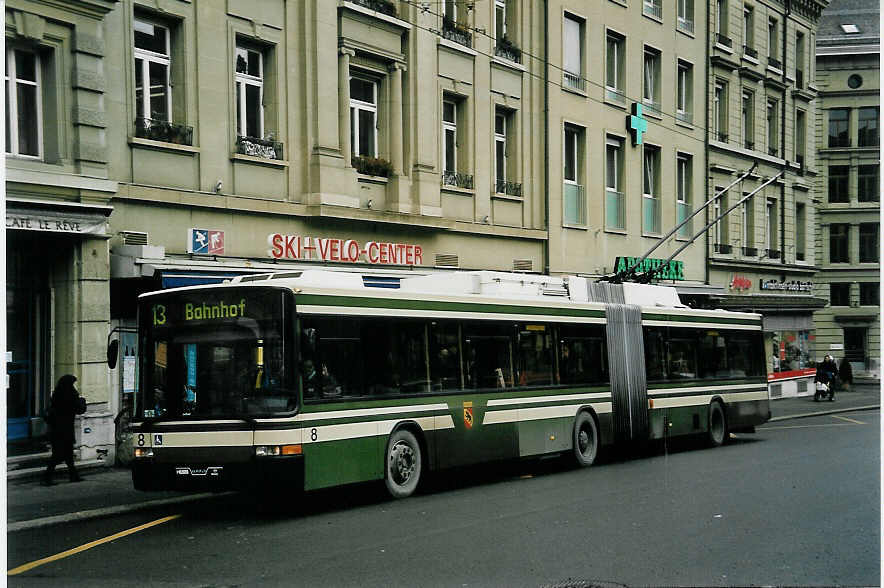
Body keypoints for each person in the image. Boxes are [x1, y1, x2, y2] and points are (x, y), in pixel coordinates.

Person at [42, 375, 87, 485]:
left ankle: (73, 475)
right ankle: (47, 478)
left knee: (68, 455)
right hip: (65, 429)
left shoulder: (57, 393)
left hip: (55, 429)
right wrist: (82, 401)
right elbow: (80, 409)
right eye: (72, 384)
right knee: (59, 455)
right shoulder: (70, 394)